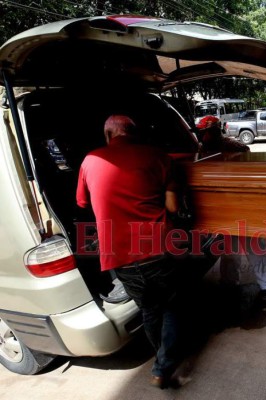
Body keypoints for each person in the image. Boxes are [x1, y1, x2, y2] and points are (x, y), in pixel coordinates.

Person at [76, 115, 184, 389]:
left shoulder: (90, 160)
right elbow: (173, 208)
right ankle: (163, 366)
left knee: (149, 309)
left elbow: (82, 202)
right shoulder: (159, 157)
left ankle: (161, 360)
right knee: (170, 306)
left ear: (109, 135)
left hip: (119, 255)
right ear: (135, 134)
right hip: (158, 248)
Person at [195, 116, 266, 306]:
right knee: (228, 248)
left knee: (255, 246)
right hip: (222, 206)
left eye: (204, 132)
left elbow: (250, 176)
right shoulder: (202, 150)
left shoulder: (236, 147)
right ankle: (229, 283)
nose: (202, 136)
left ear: (214, 131)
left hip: (243, 204)